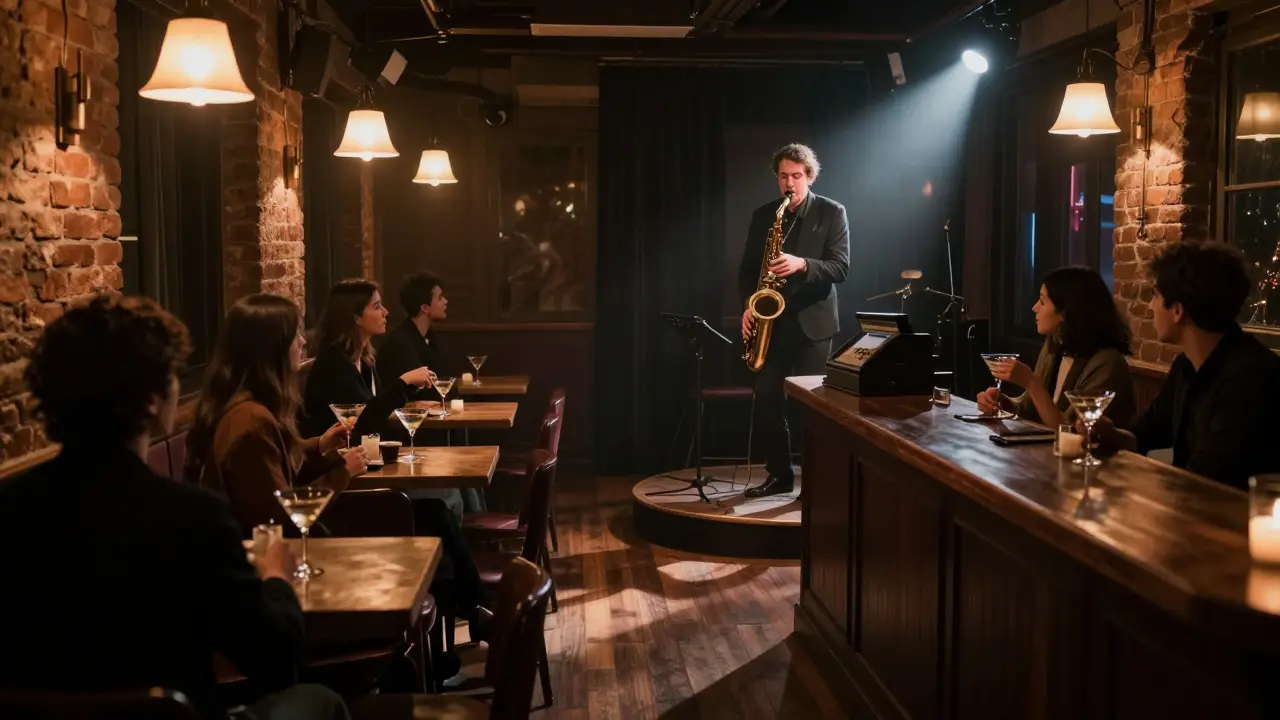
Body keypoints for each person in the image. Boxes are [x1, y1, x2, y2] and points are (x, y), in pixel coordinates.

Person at [0, 295, 348, 720]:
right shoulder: (193, 518)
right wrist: (275, 576)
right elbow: (273, 654)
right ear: (151, 401)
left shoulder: (10, 512)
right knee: (319, 699)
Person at [1088, 241, 1280, 490]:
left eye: (1156, 295)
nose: (1150, 307)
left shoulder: (1251, 377)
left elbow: (1210, 478)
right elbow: (1143, 435)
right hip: (1193, 511)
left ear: (1177, 310)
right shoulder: (1185, 366)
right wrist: (1110, 434)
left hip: (1238, 521)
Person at [187, 294, 367, 535]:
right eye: (295, 336)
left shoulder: (244, 403)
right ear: (274, 349)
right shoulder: (251, 421)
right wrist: (343, 473)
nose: (303, 342)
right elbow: (279, 518)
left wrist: (319, 445)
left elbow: (271, 465)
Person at [739, 143, 850, 498]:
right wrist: (748, 307)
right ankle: (779, 475)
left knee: (809, 410)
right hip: (773, 324)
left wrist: (802, 264)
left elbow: (841, 267)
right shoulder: (764, 216)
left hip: (812, 326)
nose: (790, 184)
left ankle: (815, 483)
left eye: (797, 176)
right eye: (784, 176)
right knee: (768, 400)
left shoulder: (833, 213)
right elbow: (747, 271)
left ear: (810, 176)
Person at [977, 266, 1137, 428]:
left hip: (1093, 453)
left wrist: (1031, 382)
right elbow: (1030, 409)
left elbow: (1070, 430)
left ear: (1065, 312)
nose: (1034, 308)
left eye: (1042, 301)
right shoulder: (1054, 347)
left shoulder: (1107, 363)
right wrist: (1001, 402)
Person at [300, 279, 435, 443]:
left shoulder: (364, 358)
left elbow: (374, 408)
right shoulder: (334, 362)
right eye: (377, 306)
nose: (385, 312)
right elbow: (363, 420)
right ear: (356, 317)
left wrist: (410, 394)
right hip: (337, 458)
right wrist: (404, 381)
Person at [377, 272, 455, 400]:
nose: (446, 301)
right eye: (440, 297)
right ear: (425, 307)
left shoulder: (431, 337)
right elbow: (416, 392)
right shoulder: (399, 342)